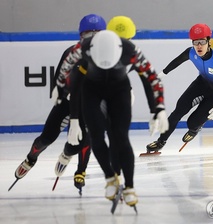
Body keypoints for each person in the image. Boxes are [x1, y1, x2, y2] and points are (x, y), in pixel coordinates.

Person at [58, 30, 168, 207]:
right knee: (95, 135)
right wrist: (62, 91)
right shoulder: (83, 47)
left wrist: (159, 108)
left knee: (121, 137)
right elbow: (65, 69)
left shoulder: (130, 50)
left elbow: (152, 78)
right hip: (92, 90)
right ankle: (110, 177)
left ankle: (130, 186)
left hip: (119, 90)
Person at [13, 14, 106, 191]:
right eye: (88, 34)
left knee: (84, 138)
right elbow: (58, 79)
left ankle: (80, 169)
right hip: (67, 102)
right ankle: (31, 158)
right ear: (81, 35)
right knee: (47, 138)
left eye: (97, 34)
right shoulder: (72, 52)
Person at [75, 15, 157, 184]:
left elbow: (147, 80)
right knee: (106, 135)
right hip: (107, 94)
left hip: (113, 93)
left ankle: (114, 174)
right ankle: (97, 171)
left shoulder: (124, 49)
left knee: (109, 135)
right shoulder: (109, 49)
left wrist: (155, 109)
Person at [146, 23, 213, 152]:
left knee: (192, 122)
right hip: (201, 84)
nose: (199, 46)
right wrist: (163, 73)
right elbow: (177, 61)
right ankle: (160, 142)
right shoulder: (191, 52)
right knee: (178, 111)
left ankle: (194, 129)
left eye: (202, 42)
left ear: (209, 41)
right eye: (195, 42)